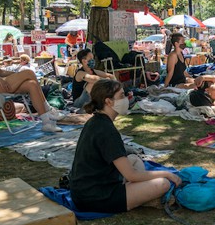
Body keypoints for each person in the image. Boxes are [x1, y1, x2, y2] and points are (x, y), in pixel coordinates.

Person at [69, 79, 180, 213]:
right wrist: (167, 174)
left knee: (133, 158)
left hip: (86, 190)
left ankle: (140, 194)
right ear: (108, 102)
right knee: (163, 183)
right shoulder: (106, 130)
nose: (126, 99)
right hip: (95, 197)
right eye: (121, 96)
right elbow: (131, 175)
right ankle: (142, 198)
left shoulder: (96, 121)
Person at [0, 22, 62, 132]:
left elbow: (0, 72)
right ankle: (48, 109)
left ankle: (46, 122)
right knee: (28, 73)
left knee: (31, 83)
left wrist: (17, 75)